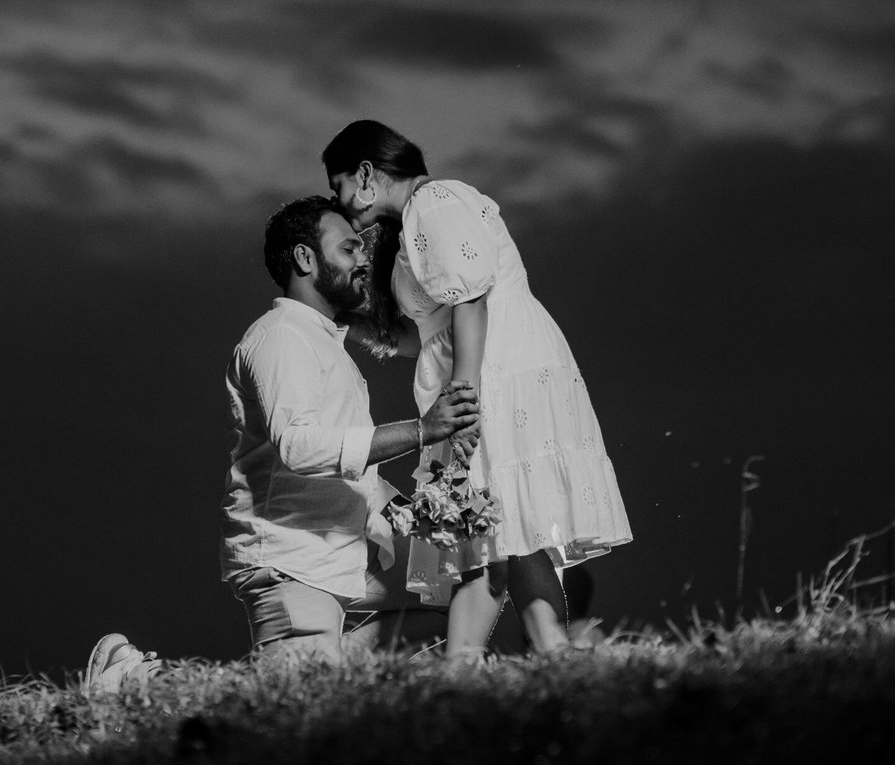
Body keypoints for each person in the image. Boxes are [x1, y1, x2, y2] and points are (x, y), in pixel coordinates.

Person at [87, 197, 481, 692]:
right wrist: (424, 430)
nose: (363, 259)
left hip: (348, 549)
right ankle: (135, 684)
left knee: (462, 582)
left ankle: (331, 671)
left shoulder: (324, 343)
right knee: (290, 705)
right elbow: (301, 447)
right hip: (295, 560)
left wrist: (414, 517)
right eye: (349, 248)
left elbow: (350, 466)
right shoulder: (280, 337)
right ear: (305, 258)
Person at [323, 120, 631, 657]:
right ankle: (554, 653)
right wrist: (341, 318)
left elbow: (471, 301)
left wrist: (463, 401)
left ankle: (462, 670)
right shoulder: (409, 227)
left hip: (497, 373)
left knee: (480, 536)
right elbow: (425, 336)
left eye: (340, 185)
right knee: (508, 533)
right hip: (477, 372)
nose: (340, 200)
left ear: (366, 173)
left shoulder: (436, 200)